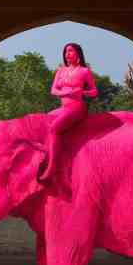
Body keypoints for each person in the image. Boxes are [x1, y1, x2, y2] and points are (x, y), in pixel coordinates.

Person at [38, 43, 98, 182]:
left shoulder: (84, 71)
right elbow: (53, 90)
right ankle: (46, 157)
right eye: (66, 52)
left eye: (70, 51)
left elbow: (94, 91)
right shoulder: (61, 71)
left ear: (78, 54)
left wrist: (82, 91)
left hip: (77, 107)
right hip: (64, 108)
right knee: (45, 120)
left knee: (54, 129)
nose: (67, 54)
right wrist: (65, 92)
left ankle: (53, 167)